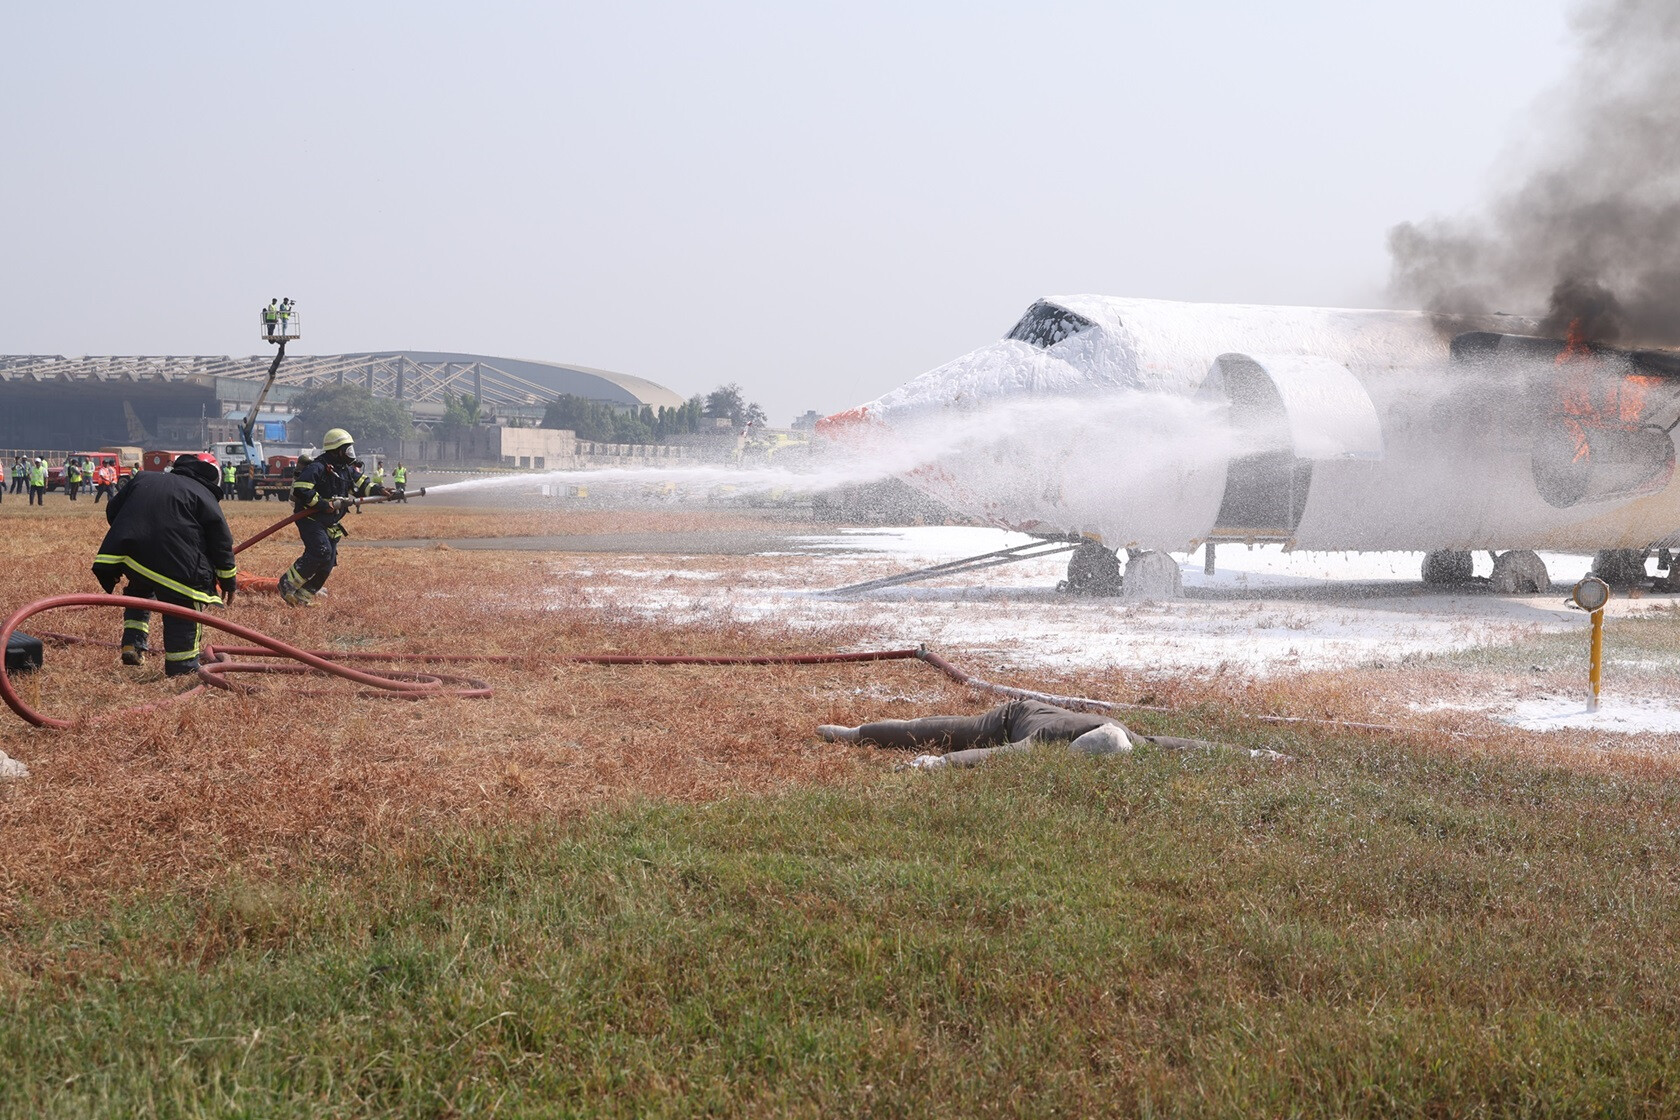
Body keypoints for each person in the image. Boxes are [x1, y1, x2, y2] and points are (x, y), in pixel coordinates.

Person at [818, 698, 1290, 770]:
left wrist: (1254, 753)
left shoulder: (1131, 742)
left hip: (1038, 724)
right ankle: (853, 733)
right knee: (931, 731)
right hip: (1011, 719)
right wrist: (936, 763)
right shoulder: (1052, 738)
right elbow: (998, 756)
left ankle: (856, 733)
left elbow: (1187, 746)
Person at [92, 454, 237, 677]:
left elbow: (113, 510)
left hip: (134, 557)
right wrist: (228, 581)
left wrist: (134, 535)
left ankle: (132, 643)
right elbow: (221, 543)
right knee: (184, 607)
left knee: (140, 589)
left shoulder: (143, 478)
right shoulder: (203, 494)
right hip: (178, 565)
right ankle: (182, 666)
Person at [277, 428, 357, 607]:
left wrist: (382, 490)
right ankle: (287, 584)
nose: (350, 453)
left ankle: (302, 597)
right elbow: (301, 489)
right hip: (311, 519)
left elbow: (361, 484)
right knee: (320, 551)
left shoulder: (345, 470)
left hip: (330, 522)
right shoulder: (318, 467)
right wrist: (322, 504)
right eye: (347, 449)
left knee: (328, 562)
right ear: (337, 451)